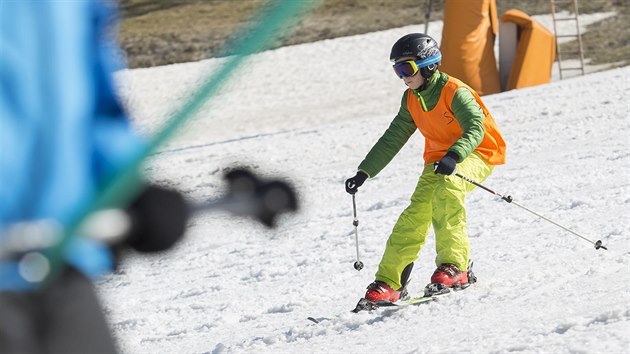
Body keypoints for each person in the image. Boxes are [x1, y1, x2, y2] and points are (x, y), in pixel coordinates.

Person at [345, 33, 506, 303]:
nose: (403, 77)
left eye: (406, 68)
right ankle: (389, 283)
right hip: (439, 160)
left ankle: (455, 267)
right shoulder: (411, 99)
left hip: (476, 152)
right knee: (415, 214)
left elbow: (476, 128)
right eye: (397, 70)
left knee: (448, 190)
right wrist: (364, 172)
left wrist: (455, 154)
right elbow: (393, 137)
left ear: (428, 64)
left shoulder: (455, 91)